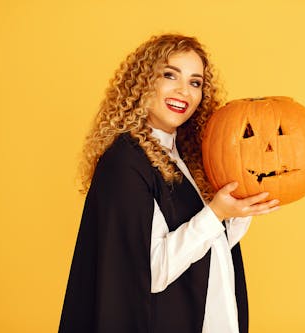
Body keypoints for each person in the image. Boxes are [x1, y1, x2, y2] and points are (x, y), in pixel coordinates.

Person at [59, 34, 279, 333]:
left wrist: (239, 210)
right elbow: (149, 272)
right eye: (169, 75)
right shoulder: (125, 163)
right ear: (143, 82)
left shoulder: (185, 156)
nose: (183, 91)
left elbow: (208, 246)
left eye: (195, 82)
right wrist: (216, 214)